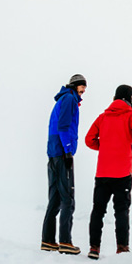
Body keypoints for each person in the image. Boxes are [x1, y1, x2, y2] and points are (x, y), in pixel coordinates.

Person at [85, 84, 132, 260]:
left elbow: (89, 140)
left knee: (98, 210)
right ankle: (122, 248)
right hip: (122, 174)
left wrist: (104, 147)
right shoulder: (131, 116)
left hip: (103, 173)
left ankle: (94, 248)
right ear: (130, 99)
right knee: (121, 212)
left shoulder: (103, 117)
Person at [42, 74, 87, 254]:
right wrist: (68, 151)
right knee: (68, 197)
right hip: (62, 153)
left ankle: (48, 240)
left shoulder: (62, 99)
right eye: (82, 86)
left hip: (53, 153)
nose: (84, 90)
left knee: (55, 198)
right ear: (75, 86)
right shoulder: (69, 98)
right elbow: (64, 126)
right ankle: (65, 242)